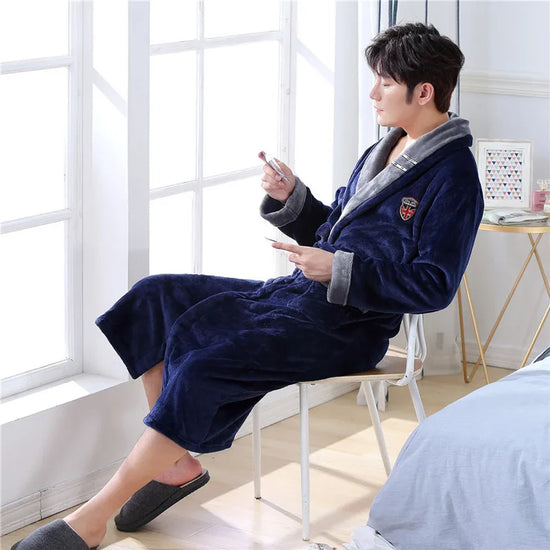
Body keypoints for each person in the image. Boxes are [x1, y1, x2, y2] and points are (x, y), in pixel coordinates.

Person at [12, 22, 483, 549]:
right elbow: (330, 232)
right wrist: (293, 199)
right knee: (155, 296)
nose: (373, 93)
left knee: (207, 362)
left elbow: (434, 286)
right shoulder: (386, 147)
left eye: (385, 83)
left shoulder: (455, 177)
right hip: (298, 298)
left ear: (424, 92)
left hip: (348, 329)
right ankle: (174, 463)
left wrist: (339, 270)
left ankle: (92, 517)